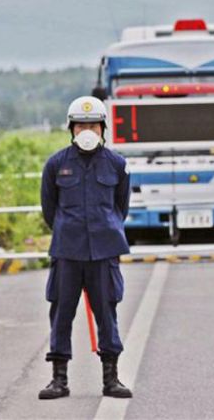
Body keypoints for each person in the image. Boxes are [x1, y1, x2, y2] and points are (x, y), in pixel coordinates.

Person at [38, 96, 133, 400]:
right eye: (81, 125)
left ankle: (111, 378)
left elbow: (121, 207)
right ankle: (58, 379)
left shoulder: (117, 164)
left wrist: (104, 228)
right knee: (62, 313)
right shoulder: (56, 164)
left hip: (104, 252)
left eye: (92, 125)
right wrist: (70, 230)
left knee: (107, 312)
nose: (87, 130)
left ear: (103, 128)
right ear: (72, 129)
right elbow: (49, 209)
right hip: (67, 251)